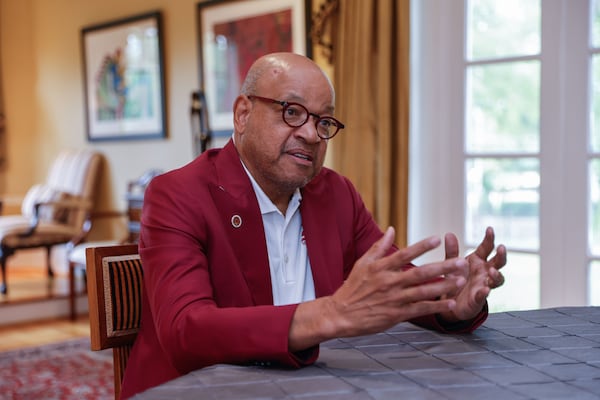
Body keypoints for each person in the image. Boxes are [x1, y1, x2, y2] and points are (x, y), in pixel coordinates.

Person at [120, 52, 506, 399]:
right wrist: (329, 314)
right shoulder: (178, 193)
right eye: (291, 112)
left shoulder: (335, 193)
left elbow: (392, 284)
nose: (309, 133)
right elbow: (186, 331)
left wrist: (450, 302)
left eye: (323, 121)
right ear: (242, 114)